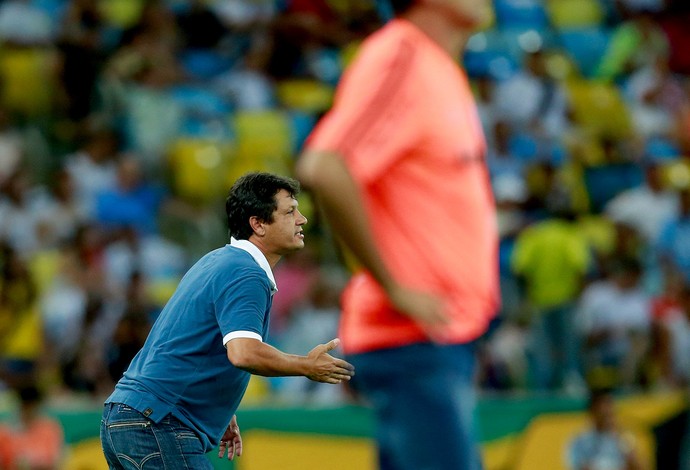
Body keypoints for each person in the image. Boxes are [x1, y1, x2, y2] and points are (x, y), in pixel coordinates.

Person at [295, 0, 499, 468]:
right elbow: (326, 165)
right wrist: (395, 287)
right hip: (411, 340)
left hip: (437, 340)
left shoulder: (436, 66)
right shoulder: (402, 56)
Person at [100, 172, 355, 469]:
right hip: (158, 422)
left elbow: (187, 340)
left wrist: (220, 408)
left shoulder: (218, 260)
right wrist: (306, 366)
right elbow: (243, 352)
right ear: (257, 223)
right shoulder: (246, 273)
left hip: (130, 417)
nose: (302, 219)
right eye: (289, 212)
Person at [567, 388, 645, 470]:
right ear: (592, 411)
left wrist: (622, 438)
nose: (608, 413)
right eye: (603, 408)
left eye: (610, 407)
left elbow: (639, 467)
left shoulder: (622, 437)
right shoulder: (580, 440)